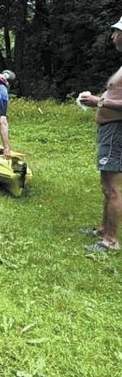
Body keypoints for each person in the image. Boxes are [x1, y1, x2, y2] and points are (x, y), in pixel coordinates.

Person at [77, 16, 122, 252]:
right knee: (106, 186)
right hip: (109, 131)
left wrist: (99, 102)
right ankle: (104, 229)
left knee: (113, 188)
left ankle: (111, 241)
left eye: (116, 31)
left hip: (116, 132)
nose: (113, 36)